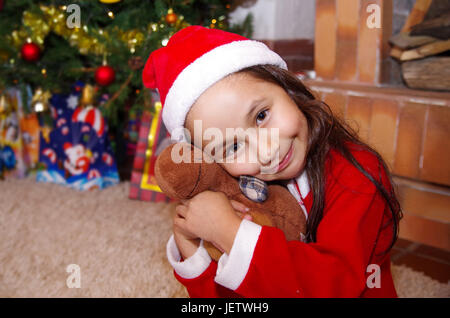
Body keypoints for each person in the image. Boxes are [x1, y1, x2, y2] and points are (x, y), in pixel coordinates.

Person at [142, 26, 402, 297]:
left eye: (261, 116)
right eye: (232, 147)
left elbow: (335, 284)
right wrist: (194, 251)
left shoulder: (357, 171)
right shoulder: (238, 190)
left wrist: (229, 233)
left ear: (287, 88)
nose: (266, 152)